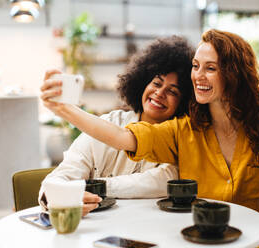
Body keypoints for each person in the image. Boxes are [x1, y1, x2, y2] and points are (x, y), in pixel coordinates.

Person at [41, 29, 259, 246]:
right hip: (201, 243)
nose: (198, 76)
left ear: (233, 74)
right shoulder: (184, 130)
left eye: (210, 68)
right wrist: (66, 109)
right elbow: (122, 137)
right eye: (196, 66)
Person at [39, 35, 194, 216]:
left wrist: (93, 186)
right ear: (142, 83)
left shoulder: (178, 139)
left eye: (172, 91)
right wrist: (59, 198)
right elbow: (60, 176)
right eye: (156, 83)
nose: (159, 93)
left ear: (184, 102)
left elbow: (161, 181)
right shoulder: (108, 124)